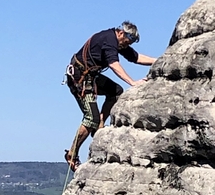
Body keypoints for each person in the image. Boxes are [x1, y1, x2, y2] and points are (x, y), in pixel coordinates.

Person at [64, 21, 156, 170]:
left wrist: (159, 61)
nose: (126, 45)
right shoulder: (109, 40)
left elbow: (136, 57)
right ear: (121, 33)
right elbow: (114, 64)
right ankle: (72, 154)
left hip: (91, 77)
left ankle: (99, 124)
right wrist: (132, 82)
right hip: (79, 78)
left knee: (116, 92)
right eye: (127, 41)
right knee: (90, 118)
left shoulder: (118, 42)